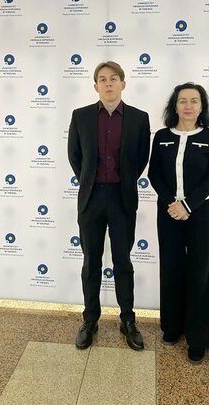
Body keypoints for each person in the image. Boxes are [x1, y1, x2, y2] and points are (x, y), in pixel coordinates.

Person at [68, 61, 150, 351]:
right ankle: (90, 320)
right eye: (102, 79)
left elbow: (141, 158)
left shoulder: (139, 118)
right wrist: (91, 180)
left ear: (123, 84)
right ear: (95, 86)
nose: (108, 83)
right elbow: (75, 156)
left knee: (122, 261)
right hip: (91, 199)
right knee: (91, 261)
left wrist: (122, 181)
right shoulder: (80, 116)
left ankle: (128, 320)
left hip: (121, 198)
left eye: (114, 78)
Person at [148, 83, 209, 364]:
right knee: (171, 268)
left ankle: (198, 338)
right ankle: (172, 327)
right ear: (175, 106)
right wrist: (172, 203)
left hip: (201, 212)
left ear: (202, 106)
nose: (188, 106)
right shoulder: (162, 136)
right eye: (182, 101)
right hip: (168, 211)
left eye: (194, 100)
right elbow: (154, 174)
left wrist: (188, 205)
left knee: (201, 271)